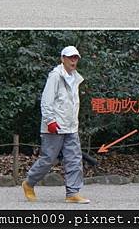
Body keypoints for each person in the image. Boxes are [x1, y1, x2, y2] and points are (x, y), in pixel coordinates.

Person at [22, 46, 90, 204]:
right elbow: (46, 101)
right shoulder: (55, 76)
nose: (73, 60)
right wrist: (50, 120)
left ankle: (72, 193)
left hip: (71, 127)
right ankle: (29, 183)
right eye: (70, 57)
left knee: (74, 160)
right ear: (62, 59)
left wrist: (74, 123)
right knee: (47, 160)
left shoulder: (76, 78)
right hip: (54, 126)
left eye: (76, 58)